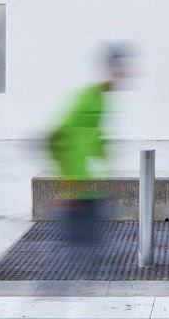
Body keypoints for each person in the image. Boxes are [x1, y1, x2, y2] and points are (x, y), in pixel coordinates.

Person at [49, 44, 130, 252]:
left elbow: (93, 139)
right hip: (78, 190)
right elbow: (57, 138)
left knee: (87, 245)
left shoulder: (100, 101)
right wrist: (71, 186)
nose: (122, 77)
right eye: (119, 71)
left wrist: (107, 165)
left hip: (87, 189)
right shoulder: (89, 99)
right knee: (77, 248)